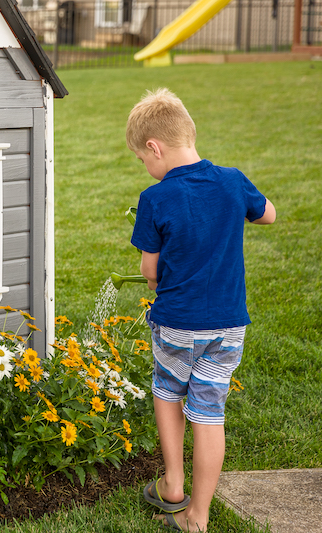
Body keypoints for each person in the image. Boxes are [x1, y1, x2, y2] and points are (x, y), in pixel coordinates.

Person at [127, 88, 276, 532]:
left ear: (155, 147)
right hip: (229, 325)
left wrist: (154, 276)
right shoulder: (232, 180)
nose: (147, 169)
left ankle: (174, 485)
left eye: (143, 159)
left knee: (168, 392)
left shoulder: (155, 199)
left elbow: (150, 270)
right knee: (210, 413)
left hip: (177, 323)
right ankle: (198, 516)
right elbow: (268, 214)